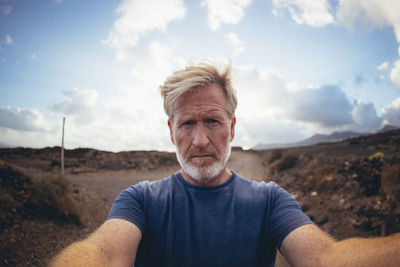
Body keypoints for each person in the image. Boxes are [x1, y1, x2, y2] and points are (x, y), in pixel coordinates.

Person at [50, 61, 399, 267]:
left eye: (213, 122)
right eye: (187, 124)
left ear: (232, 127)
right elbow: (103, 254)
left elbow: (324, 259)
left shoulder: (270, 200)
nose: (200, 140)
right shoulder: (139, 200)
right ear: (172, 132)